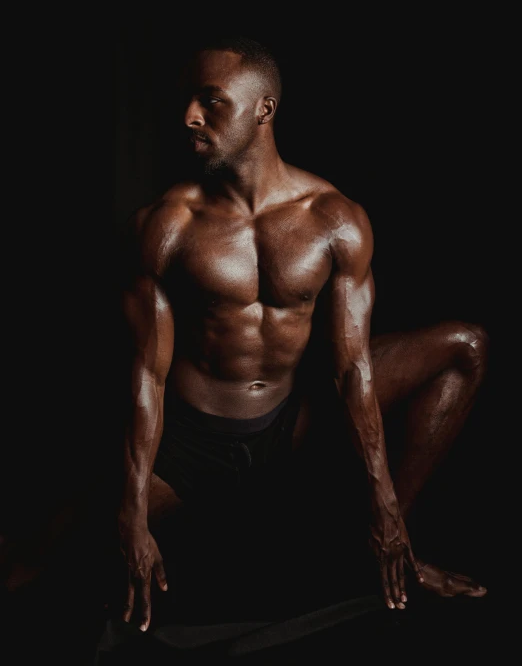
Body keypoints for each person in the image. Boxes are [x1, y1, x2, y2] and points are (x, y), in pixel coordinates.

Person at [115, 34, 488, 635]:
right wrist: (132, 513)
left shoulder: (334, 220)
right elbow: (145, 373)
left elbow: (352, 368)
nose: (190, 114)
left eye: (212, 101)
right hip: (190, 442)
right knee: (55, 558)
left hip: (290, 426)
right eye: (189, 99)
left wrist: (386, 504)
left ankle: (397, 555)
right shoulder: (166, 224)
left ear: (264, 108)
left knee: (466, 348)